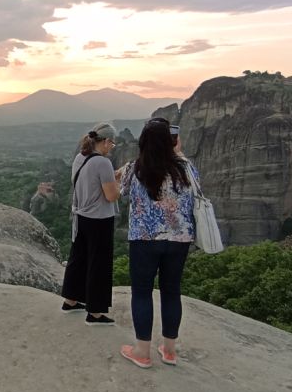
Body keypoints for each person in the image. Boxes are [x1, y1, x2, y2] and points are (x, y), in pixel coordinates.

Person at [118, 119, 196, 369]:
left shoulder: (136, 167)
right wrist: (179, 154)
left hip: (144, 239)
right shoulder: (186, 168)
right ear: (170, 142)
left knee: (142, 292)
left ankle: (142, 352)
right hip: (179, 239)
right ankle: (169, 351)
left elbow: (119, 191)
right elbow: (197, 192)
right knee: (171, 291)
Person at [61, 122, 120, 325]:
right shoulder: (103, 163)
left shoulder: (80, 158)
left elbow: (91, 183)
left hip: (82, 217)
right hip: (100, 220)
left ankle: (70, 300)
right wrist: (122, 183)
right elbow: (111, 196)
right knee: (99, 264)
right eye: (112, 143)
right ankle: (95, 312)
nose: (112, 147)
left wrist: (114, 176)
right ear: (104, 141)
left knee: (79, 258)